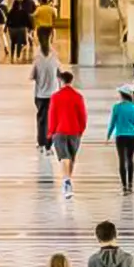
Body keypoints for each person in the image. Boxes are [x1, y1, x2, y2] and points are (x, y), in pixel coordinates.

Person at [47, 70, 87, 198]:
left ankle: (66, 181)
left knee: (64, 157)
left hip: (60, 131)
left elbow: (52, 115)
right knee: (71, 158)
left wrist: (51, 131)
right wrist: (81, 129)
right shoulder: (78, 96)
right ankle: (68, 180)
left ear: (61, 81)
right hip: (74, 131)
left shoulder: (55, 96)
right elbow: (83, 116)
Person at [106, 85, 134, 195]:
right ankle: (131, 185)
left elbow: (112, 123)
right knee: (130, 159)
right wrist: (131, 123)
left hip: (120, 136)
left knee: (121, 160)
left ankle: (124, 187)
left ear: (122, 95)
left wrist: (108, 136)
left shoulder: (116, 107)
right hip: (131, 136)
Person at [30, 36, 61, 153]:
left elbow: (31, 76)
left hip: (40, 94)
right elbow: (60, 74)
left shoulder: (37, 60)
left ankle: (41, 143)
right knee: (51, 119)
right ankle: (49, 145)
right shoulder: (55, 59)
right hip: (53, 93)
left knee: (41, 119)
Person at [8, 0, 32, 64]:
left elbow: (8, 20)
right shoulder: (23, 12)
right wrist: (30, 27)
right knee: (19, 43)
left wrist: (7, 27)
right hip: (21, 29)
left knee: (12, 42)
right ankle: (18, 56)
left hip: (12, 29)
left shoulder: (11, 11)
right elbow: (27, 20)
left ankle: (12, 55)